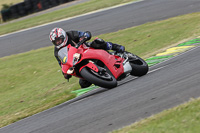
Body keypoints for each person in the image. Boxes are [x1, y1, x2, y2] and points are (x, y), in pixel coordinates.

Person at [49, 27, 125, 88]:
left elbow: (83, 34)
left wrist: (85, 35)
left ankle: (116, 47)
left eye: (59, 39)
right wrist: (65, 73)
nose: (58, 42)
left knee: (98, 42)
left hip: (85, 50)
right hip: (76, 62)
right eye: (56, 41)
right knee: (83, 84)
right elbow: (62, 63)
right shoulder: (57, 52)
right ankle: (99, 77)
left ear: (63, 36)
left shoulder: (71, 34)